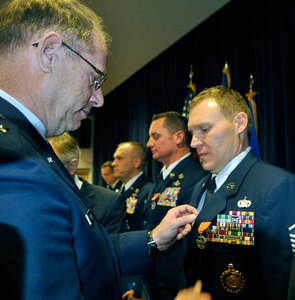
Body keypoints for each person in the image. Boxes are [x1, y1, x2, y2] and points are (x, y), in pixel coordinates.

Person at [0, 1, 198, 299]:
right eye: (95, 78)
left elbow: (82, 254)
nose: (99, 99)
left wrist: (153, 239)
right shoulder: (15, 163)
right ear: (49, 52)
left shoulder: (27, 144)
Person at [184, 85, 295, 299]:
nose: (194, 142)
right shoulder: (199, 188)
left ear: (240, 123)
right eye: (192, 133)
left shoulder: (278, 186)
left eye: (205, 129)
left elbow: (283, 284)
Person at [141, 111, 208, 299]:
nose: (148, 144)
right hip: (152, 278)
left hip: (174, 286)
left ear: (179, 137)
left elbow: (190, 242)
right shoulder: (163, 177)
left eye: (155, 137)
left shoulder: (196, 177)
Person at [48, 132, 126, 233]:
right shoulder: (33, 197)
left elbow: (109, 247)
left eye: (50, 165)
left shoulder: (108, 203)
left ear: (72, 166)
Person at [112, 141, 154, 232]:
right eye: (114, 159)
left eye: (119, 158)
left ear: (136, 162)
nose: (113, 164)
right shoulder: (117, 190)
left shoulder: (149, 191)